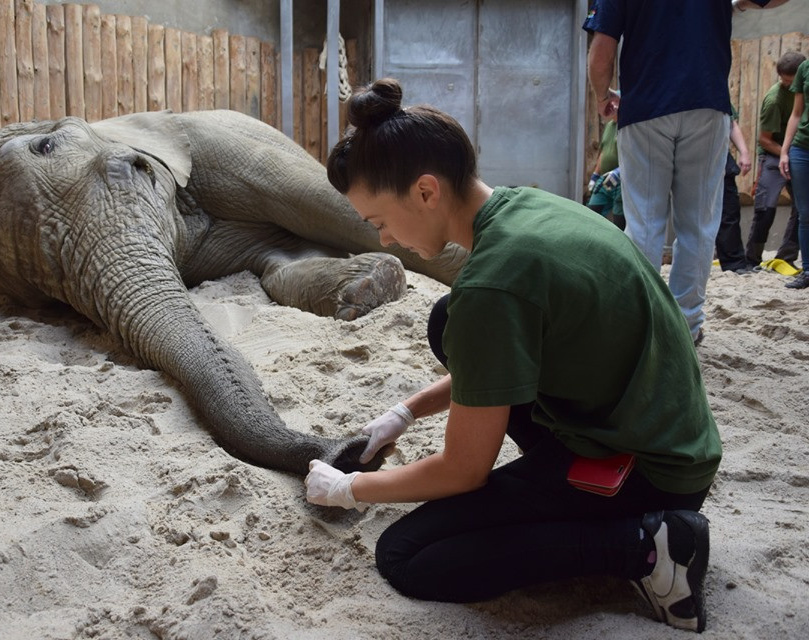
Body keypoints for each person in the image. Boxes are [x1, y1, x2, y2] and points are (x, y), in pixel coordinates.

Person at [305, 78, 722, 633]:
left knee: (407, 555)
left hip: (648, 470)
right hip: (664, 430)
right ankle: (578, 493)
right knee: (446, 321)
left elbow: (463, 471)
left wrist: (350, 490)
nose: (384, 240)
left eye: (379, 222)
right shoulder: (525, 207)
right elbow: (507, 347)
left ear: (426, 191)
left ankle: (644, 548)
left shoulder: (493, 285)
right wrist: (406, 412)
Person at [584, 0, 788, 346]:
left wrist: (603, 95)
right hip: (707, 103)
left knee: (645, 222)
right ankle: (686, 327)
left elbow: (602, 51)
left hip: (645, 107)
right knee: (698, 223)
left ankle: (642, 324)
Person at [745, 51, 805, 271]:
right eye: (784, 81)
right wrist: (786, 154)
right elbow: (764, 139)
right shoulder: (774, 99)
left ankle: (786, 256)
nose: (787, 86)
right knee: (765, 207)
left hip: (798, 151)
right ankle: (752, 258)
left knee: (802, 208)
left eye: (791, 82)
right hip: (774, 152)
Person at [780, 55, 809, 289]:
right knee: (805, 213)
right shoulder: (804, 68)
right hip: (802, 149)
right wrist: (784, 152)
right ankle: (808, 270)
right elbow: (797, 113)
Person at [715, 112, 753, 273]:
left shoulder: (715, 89)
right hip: (687, 156)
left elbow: (731, 123)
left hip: (720, 157)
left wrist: (744, 152)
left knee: (729, 210)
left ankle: (734, 263)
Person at [586, 110, 626, 231]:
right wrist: (595, 175)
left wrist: (619, 172)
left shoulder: (629, 127)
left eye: (616, 105)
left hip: (622, 181)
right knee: (590, 216)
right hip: (604, 179)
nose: (612, 108)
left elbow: (637, 154)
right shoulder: (610, 125)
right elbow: (603, 152)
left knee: (619, 225)